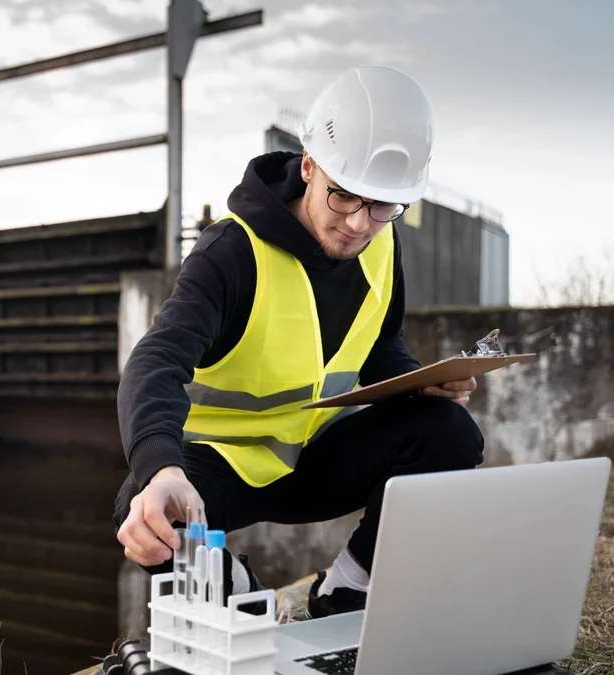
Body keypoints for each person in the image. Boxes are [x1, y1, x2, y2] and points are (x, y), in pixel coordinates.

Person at [112, 66, 485, 618]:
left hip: (317, 460)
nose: (360, 224)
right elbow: (156, 360)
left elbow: (380, 348)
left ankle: (347, 589)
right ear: (309, 166)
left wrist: (419, 386)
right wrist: (163, 469)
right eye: (344, 198)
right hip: (226, 468)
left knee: (450, 433)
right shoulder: (231, 255)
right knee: (141, 508)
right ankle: (243, 596)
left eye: (383, 206)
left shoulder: (382, 244)